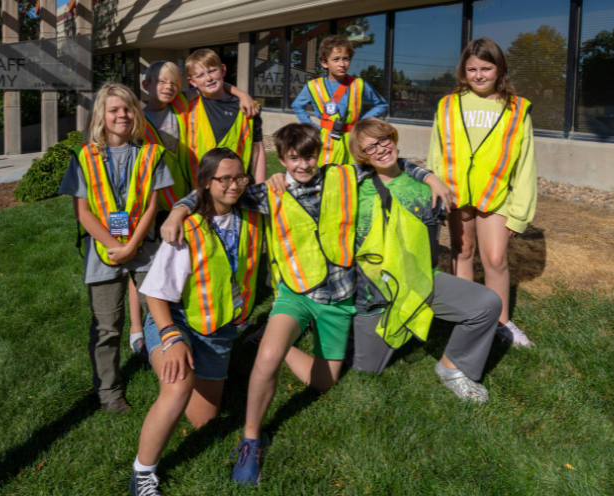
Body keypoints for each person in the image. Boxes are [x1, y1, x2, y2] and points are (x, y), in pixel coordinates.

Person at [160, 122, 452, 486]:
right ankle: (252, 439)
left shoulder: (345, 176)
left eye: (309, 156)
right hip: (296, 295)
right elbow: (214, 196)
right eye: (293, 158)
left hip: (339, 299)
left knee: (325, 383)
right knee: (265, 359)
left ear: (319, 153)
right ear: (281, 159)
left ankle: (268, 340)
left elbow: (390, 162)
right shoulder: (268, 193)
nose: (302, 165)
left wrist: (429, 179)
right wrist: (177, 212)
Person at [129, 148, 263, 496]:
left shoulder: (250, 215)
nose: (234, 186)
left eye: (240, 178)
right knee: (177, 389)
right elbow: (155, 294)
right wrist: (171, 337)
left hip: (218, 330)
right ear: (205, 184)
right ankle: (142, 475)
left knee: (206, 421)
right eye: (225, 179)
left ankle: (172, 361)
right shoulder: (186, 230)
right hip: (176, 320)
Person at [349, 118, 501, 402]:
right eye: (371, 147)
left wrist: (428, 176)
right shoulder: (351, 186)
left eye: (384, 140)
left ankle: (452, 368)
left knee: (487, 303)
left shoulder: (428, 188)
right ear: (362, 156)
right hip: (374, 293)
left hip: (419, 282)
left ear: (393, 138)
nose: (381, 149)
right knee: (366, 370)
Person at [128, 60, 259, 358]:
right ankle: (139, 327)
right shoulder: (138, 118)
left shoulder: (184, 103)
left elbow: (217, 84)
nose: (168, 87)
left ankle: (189, 312)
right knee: (143, 265)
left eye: (174, 82)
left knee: (185, 261)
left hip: (188, 199)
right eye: (160, 81)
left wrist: (242, 95)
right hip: (153, 203)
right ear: (146, 85)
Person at [57, 83, 172, 413]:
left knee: (160, 317)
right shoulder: (83, 157)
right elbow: (83, 212)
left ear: (135, 113)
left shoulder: (151, 153)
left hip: (145, 248)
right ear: (101, 117)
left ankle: (170, 377)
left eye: (127, 109)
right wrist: (115, 247)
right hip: (103, 253)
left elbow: (152, 206)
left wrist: (132, 245)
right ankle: (109, 392)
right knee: (107, 326)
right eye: (113, 110)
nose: (122, 115)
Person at [428, 37, 538, 347]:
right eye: (472, 68)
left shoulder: (517, 108)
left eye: (486, 68)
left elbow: (526, 164)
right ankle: (468, 317)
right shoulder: (448, 104)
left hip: (497, 196)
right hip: (456, 195)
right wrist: (435, 190)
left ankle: (501, 323)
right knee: (462, 253)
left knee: (495, 259)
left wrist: (520, 214)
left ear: (499, 69)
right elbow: (436, 153)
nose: (479, 75)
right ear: (463, 70)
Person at [291, 35, 388, 165]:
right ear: (324, 62)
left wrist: (363, 123)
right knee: (326, 176)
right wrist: (312, 127)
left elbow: (381, 104)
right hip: (326, 140)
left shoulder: (359, 84)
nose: (342, 64)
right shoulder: (314, 86)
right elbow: (297, 105)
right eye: (336, 59)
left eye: (346, 59)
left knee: (354, 174)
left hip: (354, 138)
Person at [176, 49, 266, 186]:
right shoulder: (186, 107)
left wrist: (261, 187)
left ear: (223, 70)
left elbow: (257, 150)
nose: (208, 78)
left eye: (212, 71)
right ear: (192, 82)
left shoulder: (247, 107)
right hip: (200, 190)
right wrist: (241, 93)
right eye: (200, 75)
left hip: (237, 187)